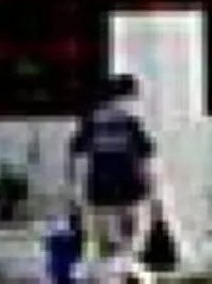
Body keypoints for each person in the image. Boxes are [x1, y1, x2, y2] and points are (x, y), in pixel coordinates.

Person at [66, 74, 161, 283]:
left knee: (105, 243)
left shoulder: (92, 122)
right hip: (128, 191)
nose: (136, 102)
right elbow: (146, 161)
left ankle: (112, 274)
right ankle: (122, 271)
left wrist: (77, 194)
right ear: (126, 96)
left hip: (99, 192)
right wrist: (154, 196)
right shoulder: (131, 123)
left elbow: (79, 159)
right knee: (126, 240)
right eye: (135, 96)